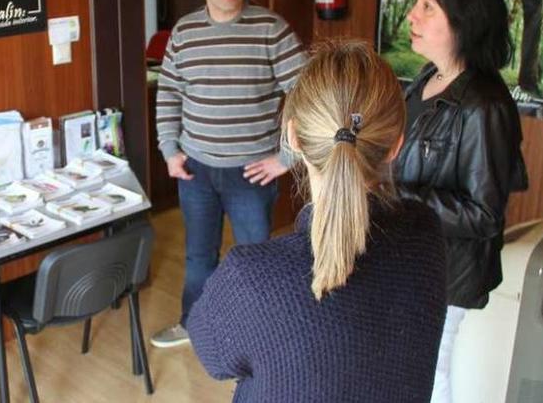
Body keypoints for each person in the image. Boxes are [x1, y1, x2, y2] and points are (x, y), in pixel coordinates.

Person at [188, 41, 447, 402]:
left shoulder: (252, 278)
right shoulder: (427, 234)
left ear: (293, 138)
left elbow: (213, 356)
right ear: (396, 145)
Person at [151, 0, 309, 347]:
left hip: (252, 171)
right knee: (199, 257)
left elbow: (309, 93)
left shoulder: (270, 28)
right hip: (195, 170)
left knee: (256, 259)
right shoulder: (184, 33)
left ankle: (259, 336)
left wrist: (286, 157)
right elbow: (169, 93)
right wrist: (169, 150)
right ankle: (194, 325)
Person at [393, 0, 529, 403]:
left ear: (463, 19)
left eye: (427, 6)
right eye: (417, 3)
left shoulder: (483, 105)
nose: (412, 15)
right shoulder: (430, 78)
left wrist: (392, 191)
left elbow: (484, 213)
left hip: (447, 272)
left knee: (429, 377)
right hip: (415, 257)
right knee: (412, 368)